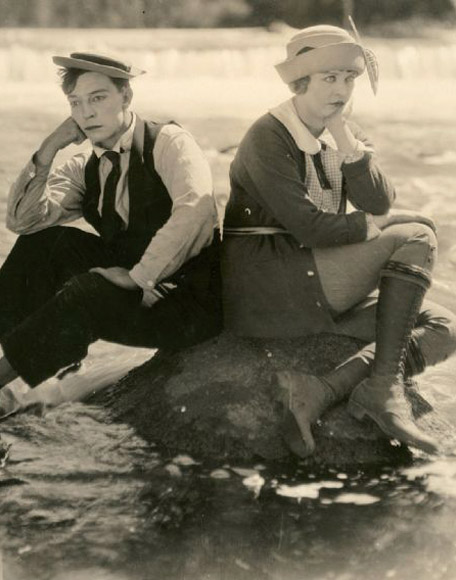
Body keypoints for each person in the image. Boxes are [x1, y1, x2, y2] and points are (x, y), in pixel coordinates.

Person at [221, 25, 456, 456]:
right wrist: (387, 223)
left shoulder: (339, 132)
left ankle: (326, 389)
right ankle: (382, 389)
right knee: (417, 235)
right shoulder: (268, 135)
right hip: (273, 288)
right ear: (299, 82)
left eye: (349, 79)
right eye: (330, 78)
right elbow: (310, 226)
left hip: (313, 275)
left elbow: (378, 198)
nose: (342, 89)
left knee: (446, 326)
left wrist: (346, 140)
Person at [0, 52, 222, 405]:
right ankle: (17, 376)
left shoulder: (169, 142)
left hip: (185, 303)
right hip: (131, 286)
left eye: (98, 98)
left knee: (88, 290)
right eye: (76, 102)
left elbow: (195, 211)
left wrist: (138, 277)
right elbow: (23, 221)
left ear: (127, 97)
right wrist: (49, 147)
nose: (86, 113)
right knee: (42, 245)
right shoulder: (87, 164)